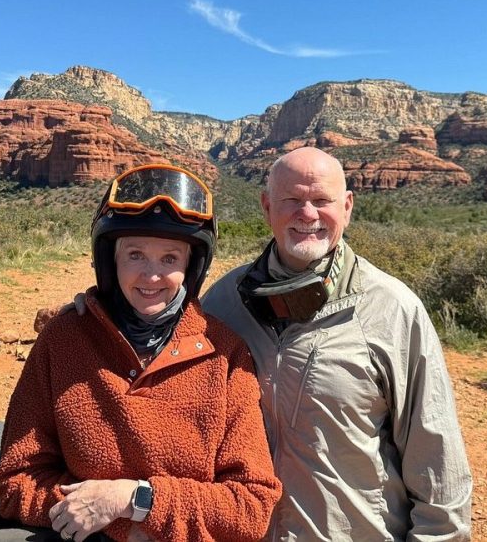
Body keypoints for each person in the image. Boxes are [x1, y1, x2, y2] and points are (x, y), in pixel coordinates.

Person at [0, 164, 281, 542]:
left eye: (169, 259)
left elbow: (252, 506)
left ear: (190, 268)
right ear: (110, 260)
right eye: (135, 255)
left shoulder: (224, 355)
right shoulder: (64, 341)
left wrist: (134, 500)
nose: (151, 276)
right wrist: (105, 518)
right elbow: (15, 480)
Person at [201, 147, 473, 541]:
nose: (307, 214)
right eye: (291, 200)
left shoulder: (392, 308)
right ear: (266, 206)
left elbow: (436, 457)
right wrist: (94, 311)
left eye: (321, 201)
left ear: (346, 207)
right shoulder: (225, 301)